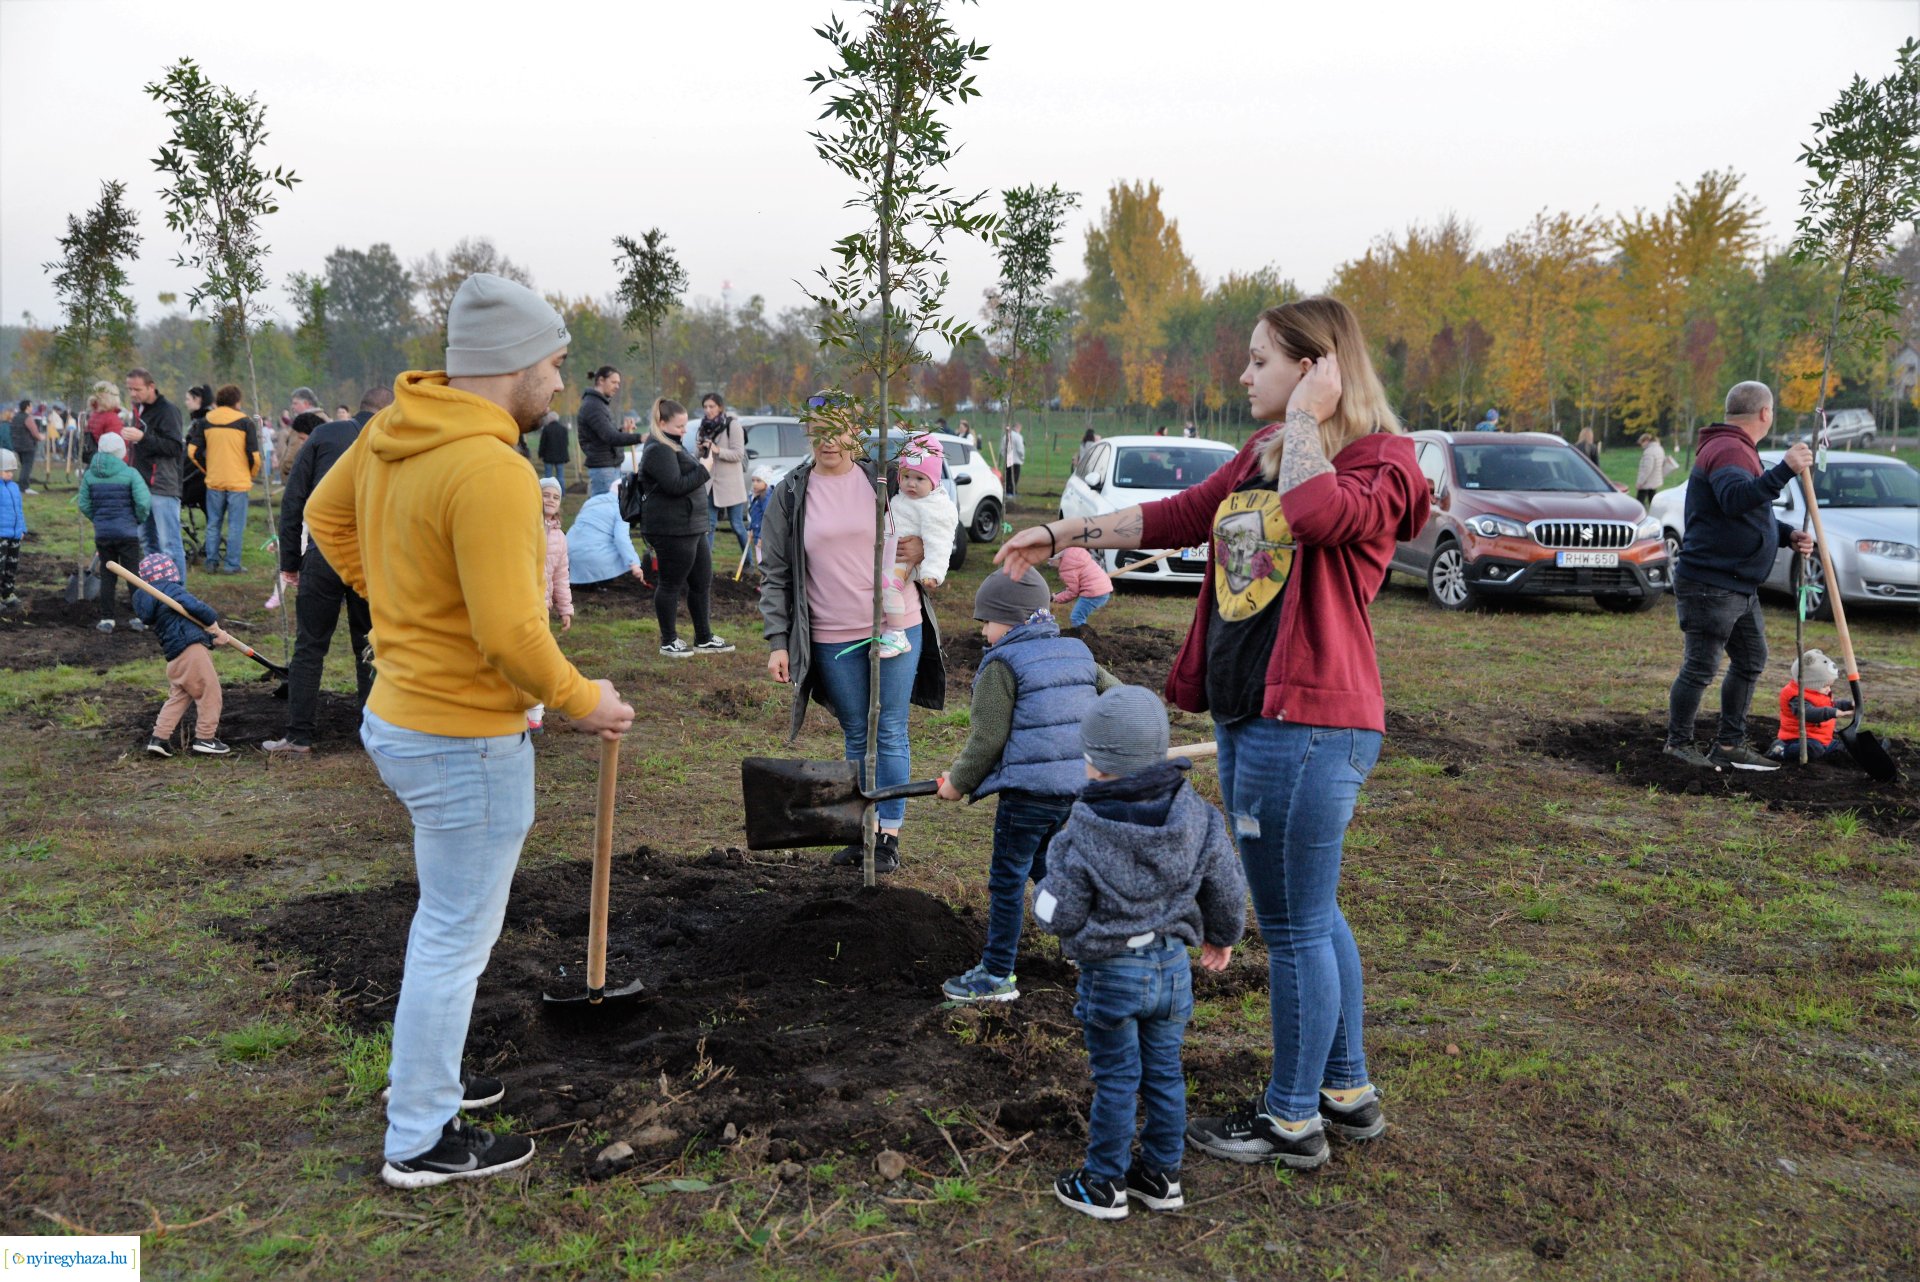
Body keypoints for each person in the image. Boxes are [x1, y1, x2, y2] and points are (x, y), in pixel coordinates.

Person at [996, 296, 1429, 1172]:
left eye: (1263, 359)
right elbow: (1181, 515)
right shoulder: (1263, 455)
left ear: (1314, 369)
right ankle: (1344, 1086)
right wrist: (1062, 531)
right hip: (1252, 716)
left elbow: (1312, 515)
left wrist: (1309, 418)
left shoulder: (1385, 466)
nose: (1244, 374)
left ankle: (1292, 1119)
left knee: (1295, 925)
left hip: (1308, 723)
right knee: (1313, 913)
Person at [304, 272, 636, 1189]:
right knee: (453, 936)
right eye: (558, 364)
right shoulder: (493, 469)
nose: (563, 385)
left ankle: (428, 1076)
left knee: (443, 925)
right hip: (463, 737)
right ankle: (419, 1139)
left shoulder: (391, 431)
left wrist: (396, 603)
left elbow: (322, 518)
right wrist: (585, 698)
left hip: (401, 714)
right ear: (514, 364)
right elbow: (510, 634)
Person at [1032, 686, 1247, 1220]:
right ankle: (1161, 1175)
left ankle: (1103, 1183)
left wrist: (1038, 901)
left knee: (1117, 1079)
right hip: (1174, 969)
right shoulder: (1198, 816)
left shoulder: (1080, 831)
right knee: (1165, 1073)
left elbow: (1060, 913)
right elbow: (1225, 884)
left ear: (1095, 765)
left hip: (1112, 976)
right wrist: (1222, 935)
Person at [759, 400, 947, 874]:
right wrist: (778, 641)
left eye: (836, 430)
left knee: (889, 728)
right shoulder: (792, 492)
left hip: (895, 621)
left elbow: (935, 506)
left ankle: (889, 835)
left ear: (854, 434)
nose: (826, 440)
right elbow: (776, 572)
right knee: (856, 732)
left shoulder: (881, 480)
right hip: (829, 633)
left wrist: (925, 545)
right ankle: (862, 829)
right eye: (817, 430)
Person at [933, 567, 1118, 1002]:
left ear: (1013, 620)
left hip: (1029, 795)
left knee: (1008, 881)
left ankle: (996, 974)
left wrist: (957, 784)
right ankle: (1085, 947)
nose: (983, 631)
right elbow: (1118, 697)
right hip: (1076, 791)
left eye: (987, 622)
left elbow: (987, 738)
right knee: (1051, 867)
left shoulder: (1002, 664)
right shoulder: (1077, 651)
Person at [1665, 381, 1815, 773]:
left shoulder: (1734, 447)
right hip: (1712, 583)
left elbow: (1750, 510)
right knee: (1700, 666)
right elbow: (1735, 500)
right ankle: (1678, 744)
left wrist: (1785, 535)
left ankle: (1729, 743)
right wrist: (1786, 469)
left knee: (1750, 659)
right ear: (1765, 413)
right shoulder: (1729, 448)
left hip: (1737, 584)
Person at [264, 388, 390, 754]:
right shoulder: (397, 440)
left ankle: (298, 735)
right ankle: (373, 735)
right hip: (372, 559)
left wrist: (290, 562)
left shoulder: (325, 435)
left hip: (324, 554)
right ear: (385, 412)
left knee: (309, 646)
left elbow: (293, 499)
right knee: (369, 645)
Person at [639, 397, 732, 657]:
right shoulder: (658, 449)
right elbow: (675, 485)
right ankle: (669, 640)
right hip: (672, 528)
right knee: (670, 584)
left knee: (702, 581)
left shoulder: (674, 445)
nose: (684, 430)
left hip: (692, 525)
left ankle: (703, 637)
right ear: (662, 423)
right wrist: (704, 469)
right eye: (679, 426)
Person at [134, 552, 229, 757]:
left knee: (179, 695)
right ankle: (205, 739)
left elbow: (180, 624)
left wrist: (210, 638)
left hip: (175, 655)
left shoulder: (146, 598)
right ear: (171, 573)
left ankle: (159, 738)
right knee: (209, 692)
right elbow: (197, 608)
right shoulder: (170, 589)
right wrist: (214, 628)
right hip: (191, 651)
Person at [878, 436, 958, 659]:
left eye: (919, 479)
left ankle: (896, 633)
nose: (911, 483)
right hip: (892, 554)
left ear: (933, 481)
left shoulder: (935, 507)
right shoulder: (904, 496)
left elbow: (939, 542)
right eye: (906, 477)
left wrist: (932, 572)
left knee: (889, 585)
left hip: (906, 562)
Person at [77, 432, 151, 633]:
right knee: (133, 575)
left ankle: (107, 619)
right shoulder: (131, 474)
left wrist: (98, 519)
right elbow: (144, 502)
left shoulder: (90, 475)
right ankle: (140, 617)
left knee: (108, 577)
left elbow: (83, 503)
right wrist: (136, 519)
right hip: (128, 534)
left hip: (103, 534)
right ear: (122, 452)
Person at [186, 384, 261, 574]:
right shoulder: (245, 422)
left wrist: (207, 468)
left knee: (213, 523)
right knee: (235, 525)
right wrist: (250, 474)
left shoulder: (206, 421)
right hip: (238, 482)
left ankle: (211, 562)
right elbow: (255, 457)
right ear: (237, 401)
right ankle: (232, 564)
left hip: (214, 480)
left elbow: (193, 451)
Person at [124, 369, 188, 578]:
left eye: (137, 389)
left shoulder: (168, 411)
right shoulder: (137, 409)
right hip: (141, 485)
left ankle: (178, 594)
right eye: (130, 389)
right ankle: (156, 590)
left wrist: (143, 438)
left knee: (169, 544)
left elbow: (175, 448)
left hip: (162, 485)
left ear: (151, 387)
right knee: (148, 543)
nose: (133, 394)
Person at [527, 478, 574, 733]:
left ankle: (535, 713)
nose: (550, 500)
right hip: (522, 604)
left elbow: (561, 576)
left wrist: (565, 608)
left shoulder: (560, 538)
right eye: (546, 495)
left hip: (543, 607)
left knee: (539, 659)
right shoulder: (524, 526)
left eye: (555, 497)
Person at [1767, 648, 1852, 763]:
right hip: (1799, 739)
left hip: (1821, 738)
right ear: (1809, 684)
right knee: (1812, 750)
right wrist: (1833, 712)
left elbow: (1830, 704)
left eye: (1830, 686)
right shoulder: (1796, 696)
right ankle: (1781, 750)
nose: (1828, 690)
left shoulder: (1815, 692)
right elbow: (1808, 713)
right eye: (1825, 686)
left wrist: (1848, 705)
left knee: (1844, 748)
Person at [576, 366, 643, 498]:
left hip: (608, 467)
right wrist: (641, 438)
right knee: (604, 510)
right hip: (603, 469)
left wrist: (622, 430)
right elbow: (610, 437)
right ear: (601, 380)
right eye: (613, 382)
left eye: (618, 383)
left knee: (612, 508)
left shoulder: (600, 404)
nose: (617, 386)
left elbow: (603, 434)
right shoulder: (593, 406)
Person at [696, 393, 749, 552]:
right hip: (710, 484)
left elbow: (738, 454)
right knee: (709, 526)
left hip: (731, 485)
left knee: (737, 525)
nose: (708, 410)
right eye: (705, 407)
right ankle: (706, 567)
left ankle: (748, 563)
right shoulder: (702, 426)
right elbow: (697, 456)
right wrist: (700, 450)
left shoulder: (733, 425)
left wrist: (717, 450)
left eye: (711, 406)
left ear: (720, 407)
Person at [565, 489, 647, 588]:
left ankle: (584, 582)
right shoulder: (622, 509)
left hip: (570, 557)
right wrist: (634, 564)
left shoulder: (590, 502)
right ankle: (600, 581)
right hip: (595, 559)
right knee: (620, 549)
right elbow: (621, 539)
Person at [1051, 544, 1114, 628]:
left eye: (1051, 561)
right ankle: (1084, 635)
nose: (1049, 564)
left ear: (1059, 557)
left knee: (1076, 617)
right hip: (1103, 589)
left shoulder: (1066, 568)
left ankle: (1082, 637)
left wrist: (1057, 598)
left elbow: (1073, 592)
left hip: (1093, 593)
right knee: (1079, 616)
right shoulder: (1077, 555)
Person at [0, 448, 22, 612]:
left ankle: (8, 592)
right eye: (6, 471)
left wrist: (22, 528)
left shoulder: (14, 488)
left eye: (12, 471)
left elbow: (19, 510)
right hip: (1, 535)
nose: (10, 475)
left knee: (11, 566)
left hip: (14, 535)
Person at [86, 382, 127, 464]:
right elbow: (116, 447)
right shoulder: (111, 418)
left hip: (98, 459)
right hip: (112, 464)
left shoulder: (94, 415)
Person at [1635, 432, 1678, 507]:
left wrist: (1640, 482)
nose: (1641, 445)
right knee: (1652, 501)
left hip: (1647, 481)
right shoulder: (1660, 449)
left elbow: (1647, 469)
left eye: (1642, 443)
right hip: (1655, 480)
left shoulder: (1649, 452)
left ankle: (1638, 516)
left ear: (1646, 441)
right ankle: (1653, 515)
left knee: (1639, 502)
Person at [9, 399, 42, 494]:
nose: (32, 408)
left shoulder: (15, 417)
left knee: (23, 466)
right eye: (31, 406)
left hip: (17, 445)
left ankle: (22, 485)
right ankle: (24, 487)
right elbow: (35, 432)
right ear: (27, 407)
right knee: (27, 467)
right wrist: (40, 437)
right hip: (28, 446)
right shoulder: (28, 418)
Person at [745, 467, 773, 566]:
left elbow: (768, 519)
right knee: (760, 560)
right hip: (757, 535)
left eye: (758, 480)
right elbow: (754, 516)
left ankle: (767, 580)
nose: (754, 483)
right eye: (753, 480)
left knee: (766, 562)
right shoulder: (754, 496)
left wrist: (762, 537)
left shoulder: (767, 498)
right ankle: (764, 579)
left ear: (766, 482)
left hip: (765, 538)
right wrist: (750, 529)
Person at [536, 410, 569, 486]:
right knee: (560, 476)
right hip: (560, 456)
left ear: (550, 419)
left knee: (548, 477)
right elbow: (566, 443)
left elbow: (542, 443)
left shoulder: (546, 429)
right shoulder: (563, 429)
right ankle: (561, 492)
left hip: (548, 457)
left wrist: (540, 454)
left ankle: (547, 492)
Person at [1003, 420, 1026, 498]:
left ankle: (1007, 491)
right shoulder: (1018, 437)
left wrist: (1005, 456)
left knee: (1008, 476)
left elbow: (1002, 449)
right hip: (1016, 460)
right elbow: (1020, 449)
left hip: (1008, 459)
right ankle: (1012, 491)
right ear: (1018, 427)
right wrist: (1022, 457)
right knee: (1015, 476)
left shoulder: (1006, 435)